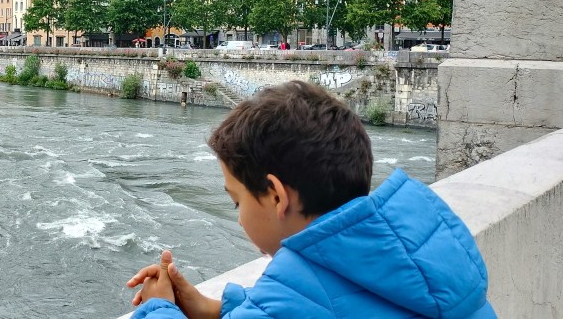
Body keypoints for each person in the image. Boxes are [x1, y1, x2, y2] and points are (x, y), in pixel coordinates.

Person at [126, 80, 495, 318]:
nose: (239, 219)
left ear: (275, 196)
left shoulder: (299, 284)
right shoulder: (426, 260)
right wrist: (209, 309)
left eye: (237, 202)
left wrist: (160, 308)